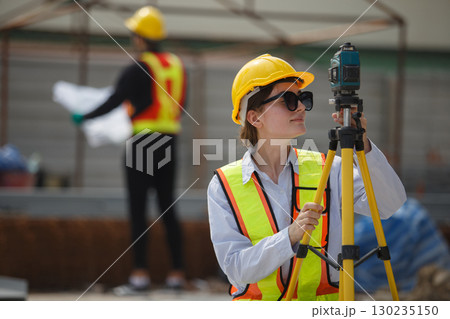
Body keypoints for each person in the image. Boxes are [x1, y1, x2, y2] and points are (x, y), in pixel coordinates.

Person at [207, 54, 407, 301]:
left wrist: (362, 146)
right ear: (255, 117)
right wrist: (290, 236)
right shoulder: (224, 185)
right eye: (288, 100)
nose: (301, 106)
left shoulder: (328, 168)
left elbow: (390, 204)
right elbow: (236, 268)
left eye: (303, 99)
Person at [72, 6, 187, 295]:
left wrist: (85, 116)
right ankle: (177, 274)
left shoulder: (140, 66)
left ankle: (140, 275)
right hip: (169, 141)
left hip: (142, 141)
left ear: (140, 37)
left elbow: (115, 98)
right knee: (168, 207)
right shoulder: (175, 64)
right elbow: (179, 104)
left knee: (138, 209)